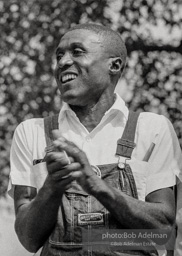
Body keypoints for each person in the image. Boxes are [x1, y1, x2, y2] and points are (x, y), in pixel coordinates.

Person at [8, 23, 182, 256]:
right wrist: (53, 186)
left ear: (115, 65)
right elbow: (28, 240)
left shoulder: (152, 129)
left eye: (77, 51)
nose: (63, 62)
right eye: (59, 55)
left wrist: (98, 186)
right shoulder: (31, 132)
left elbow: (163, 231)